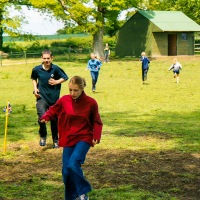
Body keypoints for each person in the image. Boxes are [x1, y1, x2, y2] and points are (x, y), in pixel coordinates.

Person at [40, 76, 103, 200]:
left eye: (76, 90)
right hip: (68, 138)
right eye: (70, 90)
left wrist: (96, 135)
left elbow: (97, 121)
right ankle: (72, 197)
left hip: (84, 137)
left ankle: (82, 193)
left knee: (73, 164)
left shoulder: (91, 103)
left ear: (82, 89)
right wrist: (46, 116)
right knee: (66, 172)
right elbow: (54, 110)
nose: (72, 93)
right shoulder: (64, 100)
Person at [31, 49, 69, 148]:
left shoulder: (55, 69)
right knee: (42, 118)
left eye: (48, 58)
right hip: (41, 98)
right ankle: (43, 136)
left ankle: (56, 141)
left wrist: (56, 82)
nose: (46, 60)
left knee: (54, 121)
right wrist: (35, 89)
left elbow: (65, 77)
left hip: (54, 99)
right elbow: (34, 78)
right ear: (41, 58)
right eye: (44, 58)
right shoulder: (36, 69)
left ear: (52, 58)